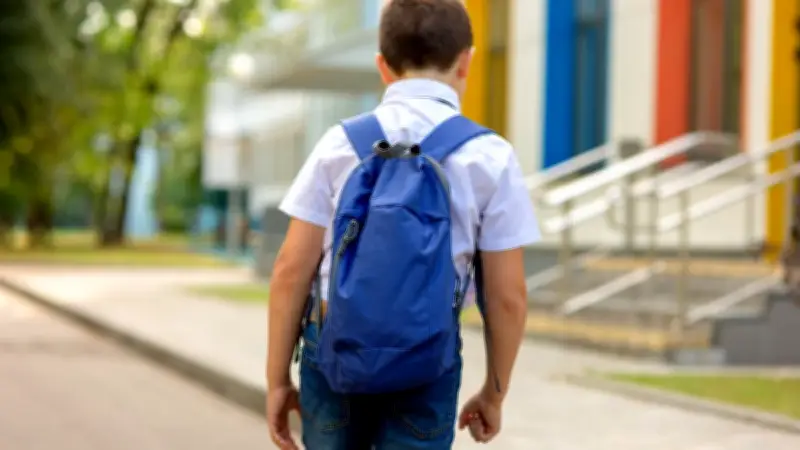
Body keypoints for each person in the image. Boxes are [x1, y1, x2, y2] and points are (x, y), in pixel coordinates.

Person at [265, 0, 540, 448]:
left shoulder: (339, 143)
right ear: (466, 61)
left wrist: (277, 380)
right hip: (426, 362)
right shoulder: (491, 157)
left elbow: (290, 269)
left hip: (334, 358)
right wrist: (494, 392)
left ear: (382, 67)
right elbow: (508, 297)